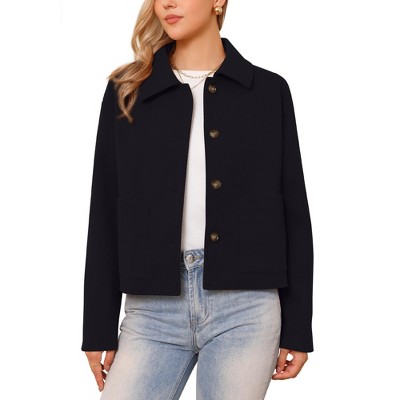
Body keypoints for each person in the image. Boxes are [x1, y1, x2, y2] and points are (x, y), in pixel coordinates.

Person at [81, 0, 314, 398]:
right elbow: (104, 209)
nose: (167, 3)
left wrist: (298, 327)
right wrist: (97, 326)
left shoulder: (267, 91)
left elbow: (293, 211)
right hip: (151, 310)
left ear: (218, 1)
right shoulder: (127, 90)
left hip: (246, 308)